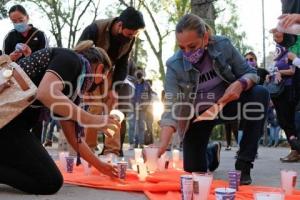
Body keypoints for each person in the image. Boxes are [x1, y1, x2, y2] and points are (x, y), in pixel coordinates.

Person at [157, 14, 269, 185]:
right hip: (199, 116)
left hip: (227, 104)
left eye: (192, 46)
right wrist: (162, 144)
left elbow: (251, 73)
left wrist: (240, 84)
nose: (187, 53)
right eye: (182, 47)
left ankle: (244, 163)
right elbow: (171, 106)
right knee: (195, 170)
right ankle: (211, 152)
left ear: (206, 38)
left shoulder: (222, 45)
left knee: (259, 94)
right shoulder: (174, 65)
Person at [0, 40, 120, 194]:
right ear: (101, 69)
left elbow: (73, 137)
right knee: (49, 181)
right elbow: (45, 93)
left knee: (38, 173)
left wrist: (100, 166)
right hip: (7, 123)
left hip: (10, 126)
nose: (96, 88)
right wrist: (93, 119)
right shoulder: (71, 59)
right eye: (103, 80)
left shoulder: (69, 86)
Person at [78, 7, 145, 156]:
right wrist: (86, 85)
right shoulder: (95, 29)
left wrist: (115, 88)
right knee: (94, 107)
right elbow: (79, 54)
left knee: (112, 108)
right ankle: (89, 148)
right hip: (90, 70)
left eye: (134, 35)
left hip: (110, 72)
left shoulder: (130, 38)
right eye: (129, 34)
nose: (130, 37)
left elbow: (123, 63)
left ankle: (112, 150)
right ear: (120, 25)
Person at [266, 44, 300, 162]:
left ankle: (296, 149)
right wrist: (270, 75)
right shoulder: (278, 54)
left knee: (291, 120)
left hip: (290, 90)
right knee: (283, 121)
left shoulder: (291, 51)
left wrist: (279, 71)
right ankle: (295, 149)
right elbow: (273, 69)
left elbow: (292, 70)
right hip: (278, 91)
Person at [127, 67, 152, 148]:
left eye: (141, 71)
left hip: (142, 108)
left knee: (141, 126)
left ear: (143, 73)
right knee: (131, 125)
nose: (139, 73)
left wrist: (145, 105)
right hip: (132, 107)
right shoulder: (131, 83)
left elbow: (149, 96)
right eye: (137, 71)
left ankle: (141, 144)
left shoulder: (146, 84)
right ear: (135, 73)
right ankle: (132, 143)